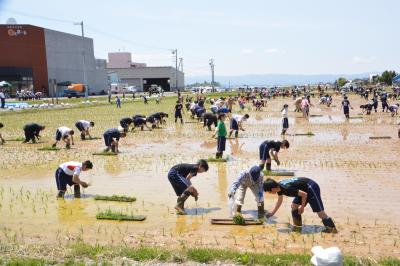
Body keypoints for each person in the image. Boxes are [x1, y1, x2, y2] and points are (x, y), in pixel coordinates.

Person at [263, 177, 337, 233]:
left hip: (311, 187)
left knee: (320, 213)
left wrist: (302, 207)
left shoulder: (286, 188)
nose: (269, 193)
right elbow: (279, 201)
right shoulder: (279, 187)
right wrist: (272, 213)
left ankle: (332, 230)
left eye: (269, 191)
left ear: (273, 188)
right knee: (294, 206)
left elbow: (304, 195)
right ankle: (298, 226)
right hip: (303, 190)